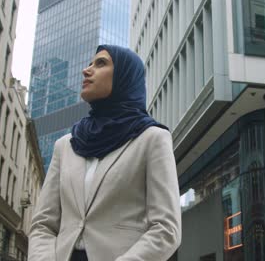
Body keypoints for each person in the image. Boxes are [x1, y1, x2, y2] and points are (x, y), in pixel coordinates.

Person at [28, 45, 182, 261]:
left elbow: (166, 228)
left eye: (100, 63)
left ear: (123, 76)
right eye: (90, 63)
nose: (86, 70)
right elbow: (43, 224)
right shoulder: (65, 145)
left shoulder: (152, 138)